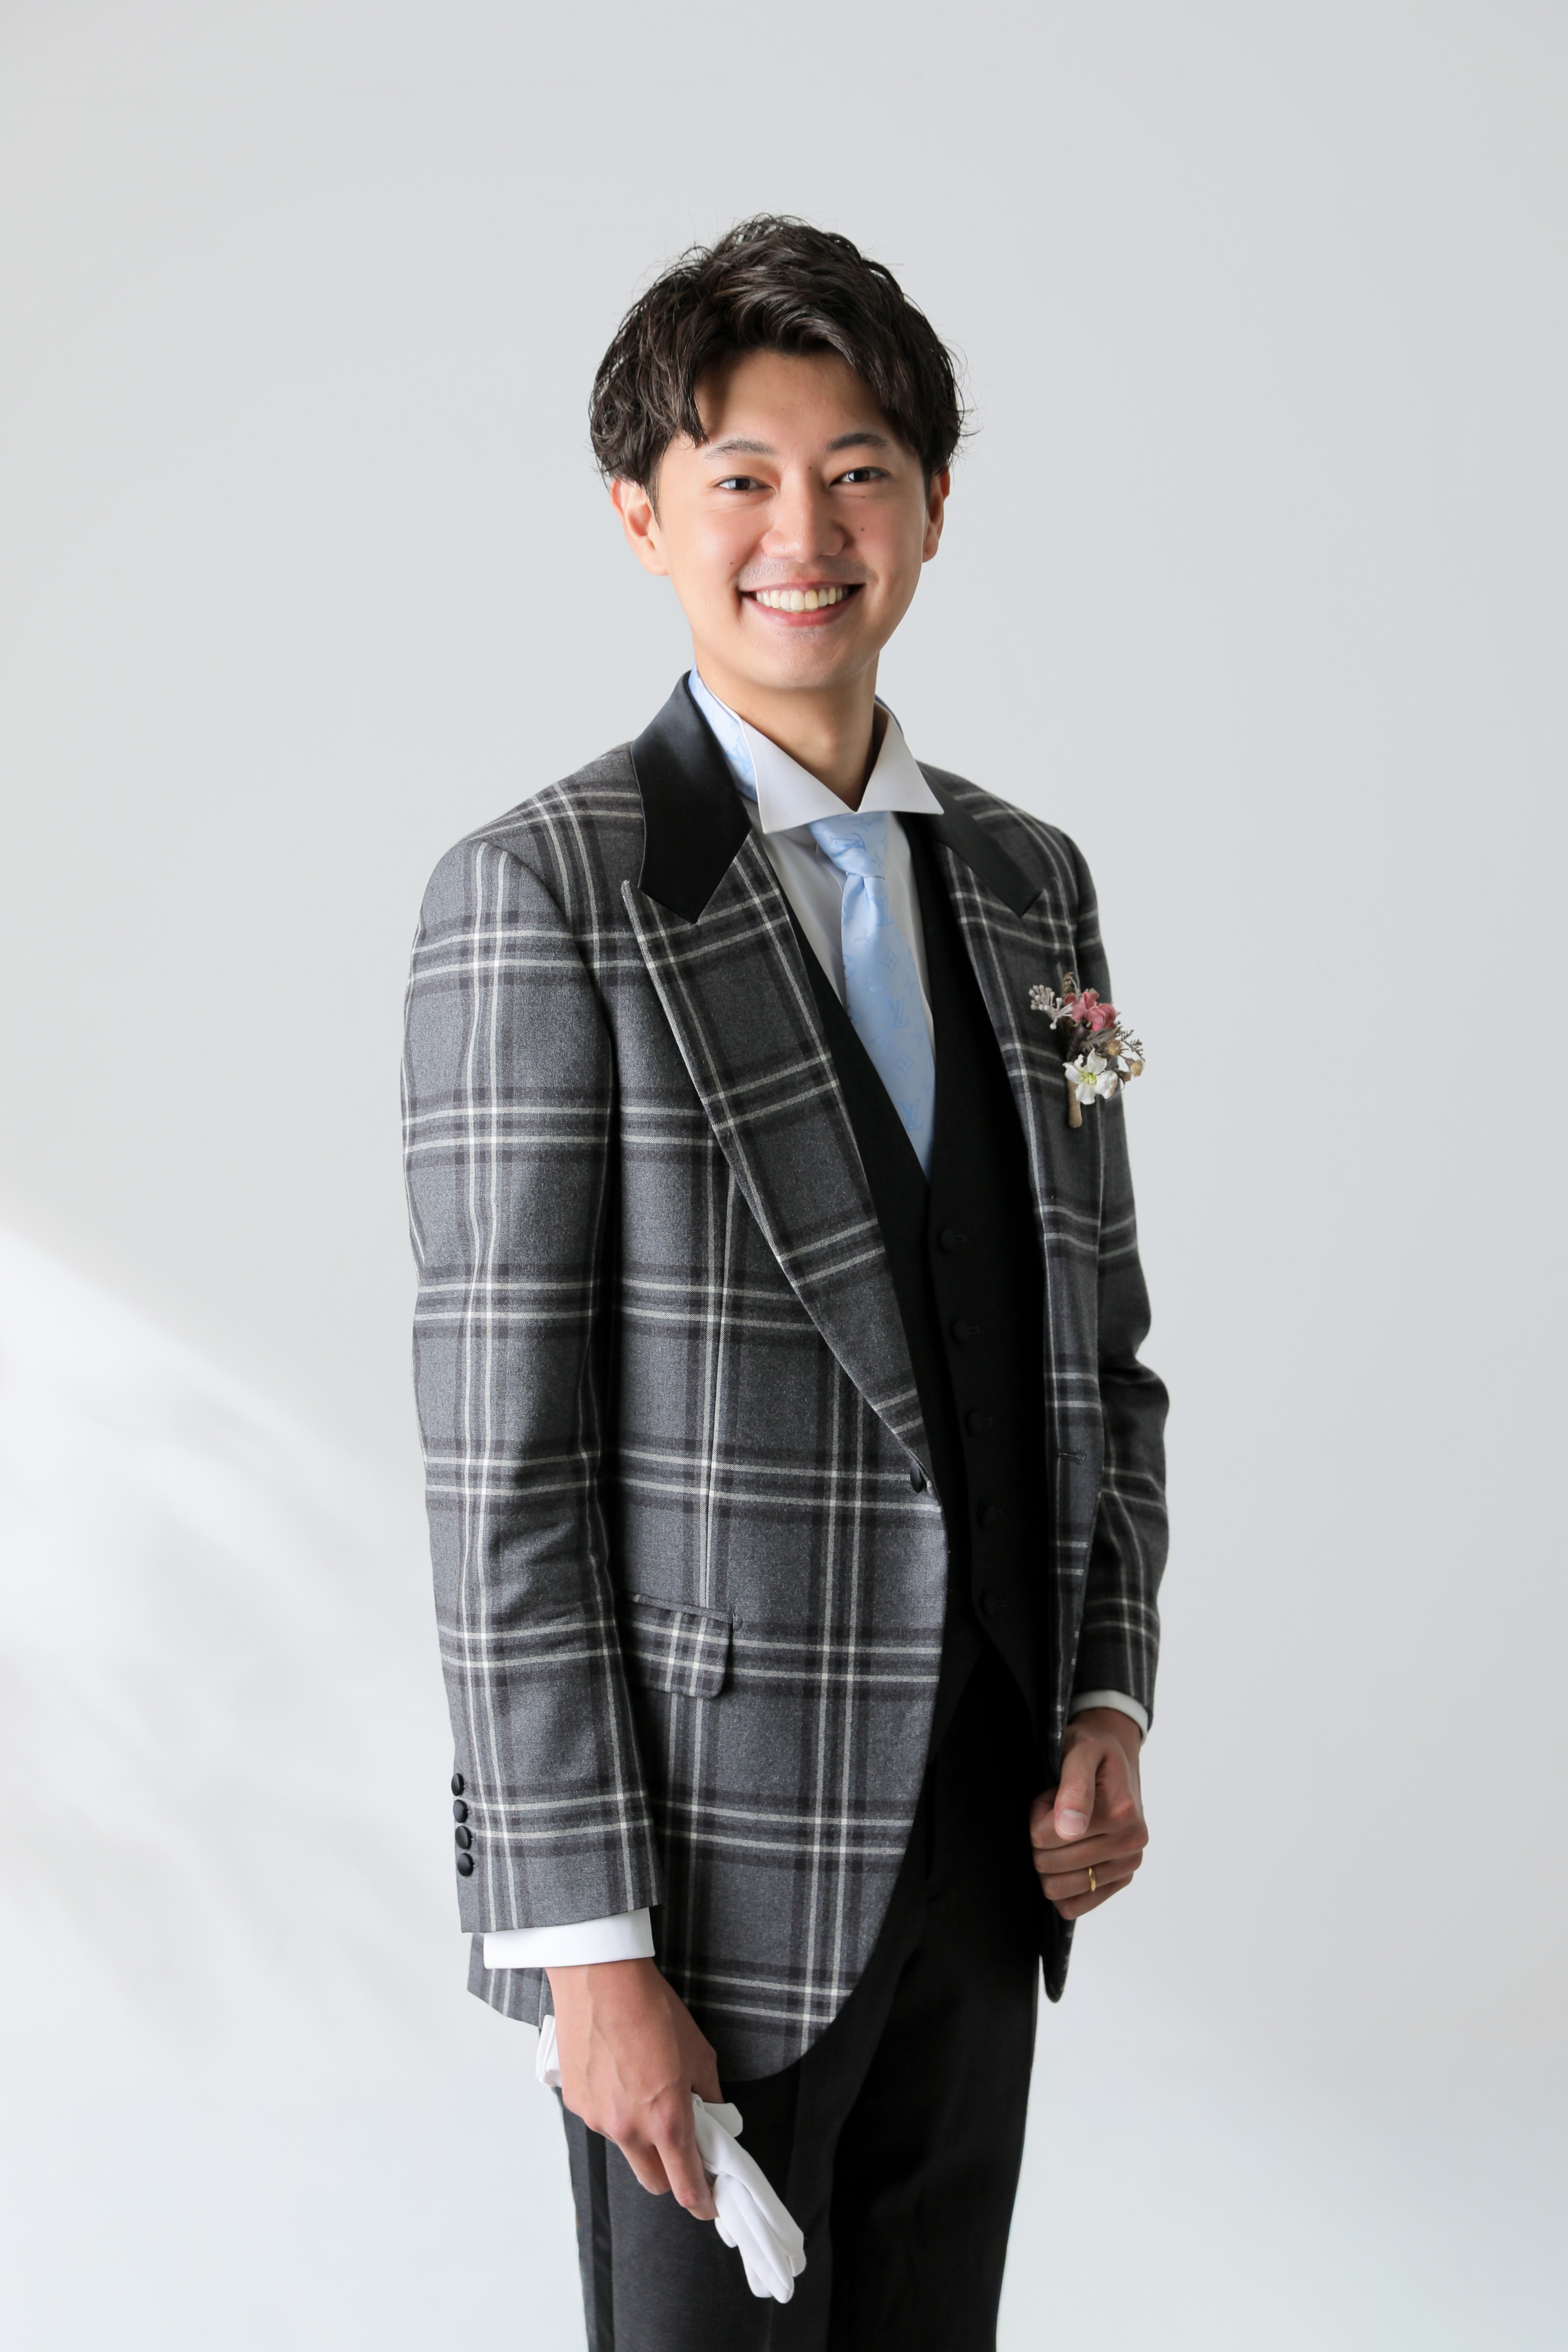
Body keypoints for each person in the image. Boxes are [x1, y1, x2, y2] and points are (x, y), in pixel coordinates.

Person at [401, 215, 1168, 2351]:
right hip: (707, 1896)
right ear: (640, 513)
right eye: (740, 475)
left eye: (857, 473)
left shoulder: (1030, 888)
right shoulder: (543, 894)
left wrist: (1105, 1695)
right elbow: (503, 1476)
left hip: (988, 1852)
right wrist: (586, 1948)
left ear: (933, 504)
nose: (802, 534)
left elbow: (1095, 1350)